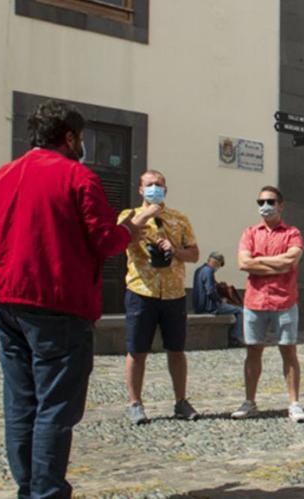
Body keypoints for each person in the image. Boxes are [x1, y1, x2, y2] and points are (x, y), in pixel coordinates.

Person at [0, 100, 160, 498]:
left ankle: (29, 488)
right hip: (58, 303)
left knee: (20, 404)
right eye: (81, 138)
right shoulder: (79, 177)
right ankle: (46, 492)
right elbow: (103, 239)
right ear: (70, 137)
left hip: (5, 301)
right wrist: (130, 229)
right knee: (56, 407)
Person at [119, 170, 200, 425]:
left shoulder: (179, 218)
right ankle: (135, 403)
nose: (155, 188)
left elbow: (195, 254)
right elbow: (121, 239)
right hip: (141, 291)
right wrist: (146, 215)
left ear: (166, 189)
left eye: (159, 185)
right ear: (141, 190)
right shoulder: (129, 216)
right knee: (137, 350)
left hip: (174, 292)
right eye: (150, 185)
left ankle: (181, 401)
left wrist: (174, 250)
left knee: (176, 350)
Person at [231, 186, 304, 423]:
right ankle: (250, 401)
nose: (265, 206)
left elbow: (291, 261)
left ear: (281, 205)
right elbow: (243, 263)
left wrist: (258, 261)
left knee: (289, 351)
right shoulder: (250, 233)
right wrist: (275, 264)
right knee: (253, 351)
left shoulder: (292, 233)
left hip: (284, 300)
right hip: (255, 301)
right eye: (261, 201)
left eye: (270, 201)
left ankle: (294, 403)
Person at [191, 252, 244, 347]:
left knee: (233, 309)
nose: (218, 267)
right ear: (216, 262)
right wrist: (220, 300)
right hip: (210, 307)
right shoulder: (209, 271)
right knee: (240, 311)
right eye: (220, 265)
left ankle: (232, 335)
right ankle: (235, 338)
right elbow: (210, 291)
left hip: (199, 305)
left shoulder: (199, 270)